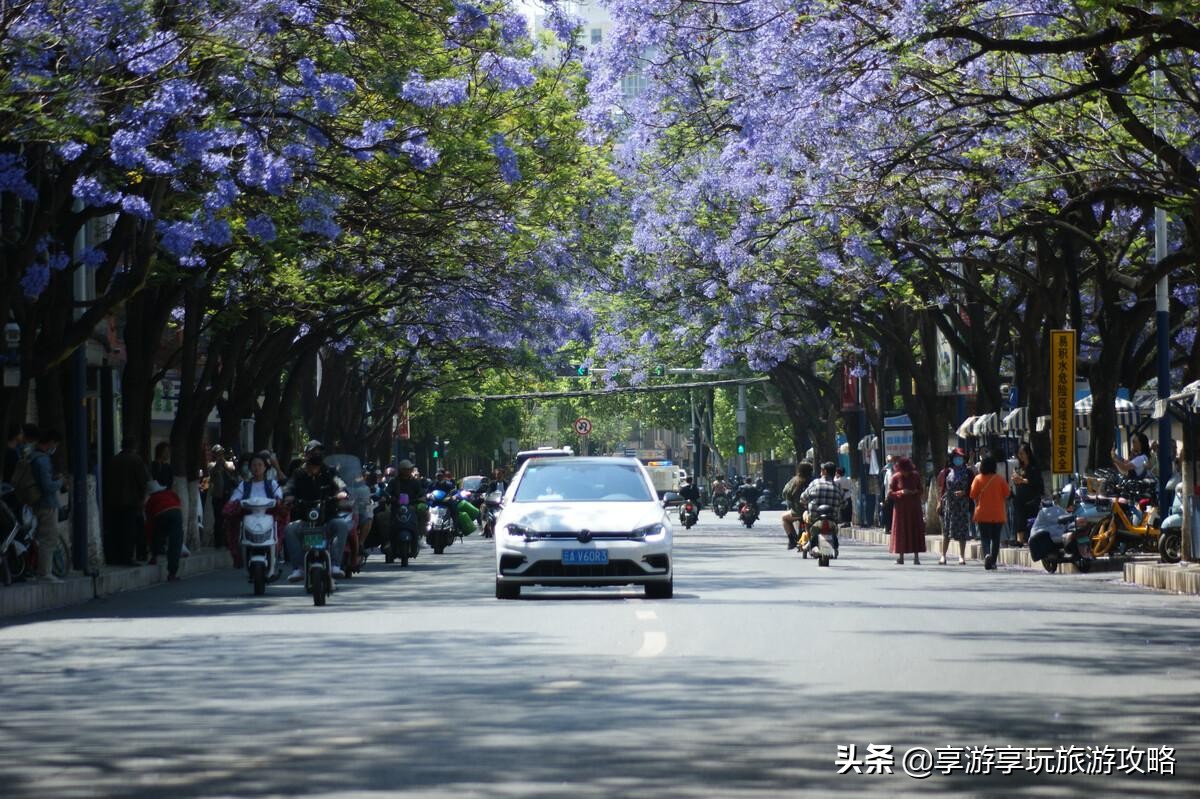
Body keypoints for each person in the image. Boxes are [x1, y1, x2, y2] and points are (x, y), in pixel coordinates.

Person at [283, 441, 351, 581]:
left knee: (342, 525)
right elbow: (288, 487)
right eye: (314, 452)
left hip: (327, 519)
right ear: (306, 455)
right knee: (289, 529)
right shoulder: (298, 473)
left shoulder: (329, 471)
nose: (317, 455)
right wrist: (288, 496)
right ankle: (298, 568)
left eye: (319, 452)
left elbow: (339, 482)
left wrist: (342, 492)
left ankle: (335, 565)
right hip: (305, 520)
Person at [224, 451, 286, 568]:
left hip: (268, 517)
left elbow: (279, 497)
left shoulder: (272, 484)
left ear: (265, 467)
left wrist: (278, 501)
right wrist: (233, 505)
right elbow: (234, 499)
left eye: (259, 465)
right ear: (250, 468)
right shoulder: (244, 485)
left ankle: (275, 554)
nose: (257, 468)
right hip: (248, 517)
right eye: (254, 465)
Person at [104, 436, 151, 565]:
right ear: (134, 446)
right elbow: (143, 481)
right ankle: (127, 557)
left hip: (114, 501)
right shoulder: (136, 460)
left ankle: (115, 556)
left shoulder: (114, 460)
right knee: (129, 530)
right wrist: (143, 498)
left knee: (116, 529)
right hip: (131, 501)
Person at [29, 429, 64, 582]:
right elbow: (47, 486)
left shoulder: (31, 456)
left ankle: (36, 569)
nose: (54, 447)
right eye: (55, 444)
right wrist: (61, 482)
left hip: (35, 502)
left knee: (39, 537)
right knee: (49, 538)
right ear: (50, 443)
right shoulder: (42, 460)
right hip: (46, 504)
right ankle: (44, 572)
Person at [970, 455, 1010, 570]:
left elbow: (972, 494)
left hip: (983, 513)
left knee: (985, 537)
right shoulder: (1000, 479)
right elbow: (1007, 494)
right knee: (996, 538)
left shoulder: (977, 479)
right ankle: (993, 561)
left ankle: (987, 554)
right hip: (998, 514)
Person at [799, 461, 845, 556]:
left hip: (814, 519)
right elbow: (844, 503)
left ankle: (809, 538)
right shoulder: (838, 486)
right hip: (833, 520)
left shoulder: (815, 483)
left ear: (824, 471)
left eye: (822, 469)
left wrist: (805, 504)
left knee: (805, 515)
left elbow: (803, 498)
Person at [937, 448, 973, 565]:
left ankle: (961, 556)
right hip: (949, 504)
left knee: (962, 530)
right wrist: (939, 502)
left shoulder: (968, 472)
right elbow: (942, 489)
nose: (959, 460)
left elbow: (973, 488)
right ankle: (943, 555)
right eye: (956, 457)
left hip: (962, 505)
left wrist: (965, 492)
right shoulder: (947, 471)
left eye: (961, 457)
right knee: (946, 531)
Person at [888, 456, 925, 565]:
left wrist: (914, 492)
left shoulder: (915, 476)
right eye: (903, 471)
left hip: (914, 508)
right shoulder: (895, 477)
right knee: (901, 531)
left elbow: (921, 489)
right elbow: (890, 493)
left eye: (907, 471)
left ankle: (916, 557)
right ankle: (901, 557)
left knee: (915, 530)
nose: (906, 473)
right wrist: (900, 492)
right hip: (901, 510)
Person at [145, 481, 184, 581]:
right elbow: (179, 502)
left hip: (160, 515)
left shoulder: (151, 500)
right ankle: (172, 573)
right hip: (176, 512)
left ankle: (154, 556)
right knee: (175, 543)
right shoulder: (170, 493)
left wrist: (151, 544)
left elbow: (150, 525)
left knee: (156, 534)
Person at [1010, 443, 1044, 547]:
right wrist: (1015, 479)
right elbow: (1015, 480)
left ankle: (1031, 539)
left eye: (1022, 453)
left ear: (1028, 453)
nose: (1020, 456)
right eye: (1019, 454)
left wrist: (1023, 480)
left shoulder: (1034, 467)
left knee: (1031, 519)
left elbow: (1036, 481)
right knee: (1019, 518)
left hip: (1032, 498)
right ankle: (1019, 540)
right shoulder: (1019, 467)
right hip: (1020, 497)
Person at [208, 445, 236, 550]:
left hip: (228, 494)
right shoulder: (212, 464)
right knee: (218, 519)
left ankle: (228, 541)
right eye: (218, 453)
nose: (220, 455)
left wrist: (224, 460)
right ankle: (218, 542)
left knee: (228, 519)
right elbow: (213, 472)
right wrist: (219, 463)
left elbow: (232, 469)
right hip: (218, 495)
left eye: (221, 453)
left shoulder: (227, 463)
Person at [781, 461, 814, 549]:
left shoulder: (795, 481)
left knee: (784, 518)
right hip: (813, 511)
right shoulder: (814, 480)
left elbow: (785, 493)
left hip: (798, 511)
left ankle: (792, 539)